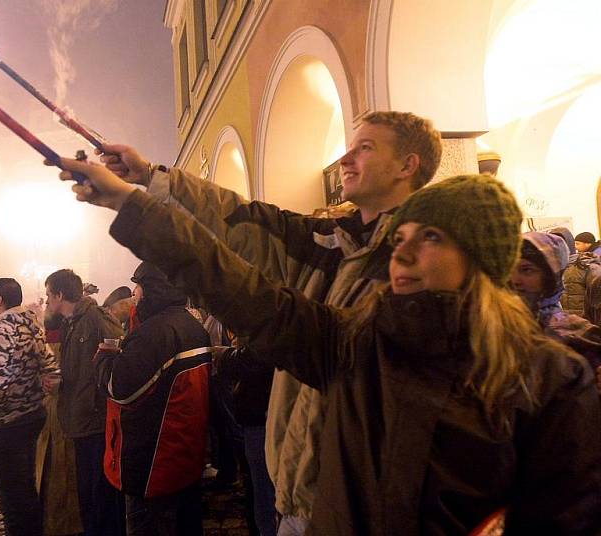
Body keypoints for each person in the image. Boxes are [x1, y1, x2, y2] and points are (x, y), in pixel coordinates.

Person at [55, 160, 601, 534]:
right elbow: (238, 286)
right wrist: (132, 202)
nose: (402, 256)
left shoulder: (550, 378)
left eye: (430, 238)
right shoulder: (356, 342)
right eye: (400, 239)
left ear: (482, 259)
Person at [87, 111, 443, 534]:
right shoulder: (328, 241)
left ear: (408, 165)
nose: (345, 158)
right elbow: (239, 219)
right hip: (298, 491)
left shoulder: (419, 273)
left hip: (359, 505)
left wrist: (132, 206)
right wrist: (150, 177)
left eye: (365, 147)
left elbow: (250, 297)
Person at [94, 262, 211, 536]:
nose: (135, 293)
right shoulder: (193, 326)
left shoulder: (153, 334)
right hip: (185, 458)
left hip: (152, 466)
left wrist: (105, 359)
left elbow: (120, 389)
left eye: (139, 286)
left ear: (153, 289)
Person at [45, 269, 125, 536]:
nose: (46, 302)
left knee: (100, 496)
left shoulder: (95, 318)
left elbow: (118, 361)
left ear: (59, 295)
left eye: (48, 295)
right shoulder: (70, 323)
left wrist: (96, 396)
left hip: (95, 421)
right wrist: (60, 381)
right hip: (79, 419)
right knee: (88, 495)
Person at [0, 277, 61, 536]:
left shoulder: (1, 329)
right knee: (26, 491)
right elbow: (50, 364)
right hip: (32, 416)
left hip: (6, 423)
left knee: (13, 502)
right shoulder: (32, 324)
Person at [510, 231, 601, 389]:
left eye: (527, 270)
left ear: (550, 277)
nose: (514, 280)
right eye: (511, 269)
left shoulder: (577, 335)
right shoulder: (498, 326)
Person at [215, 337, 276, 536]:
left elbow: (256, 359)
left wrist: (227, 357)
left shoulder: (270, 319)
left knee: (265, 494)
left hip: (262, 416)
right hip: (263, 412)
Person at [35, 313, 84, 536]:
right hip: (70, 416)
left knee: (49, 472)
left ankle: (52, 523)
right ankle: (74, 521)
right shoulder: (72, 346)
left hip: (47, 418)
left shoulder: (41, 350)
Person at [550, 227, 601, 321]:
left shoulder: (588, 267)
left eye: (561, 243)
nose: (556, 247)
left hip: (585, 325)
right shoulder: (551, 268)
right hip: (563, 324)